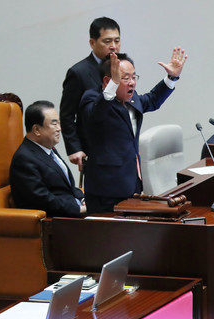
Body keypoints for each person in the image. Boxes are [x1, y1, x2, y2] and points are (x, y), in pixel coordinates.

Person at [80, 48, 187, 213]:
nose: (132, 82)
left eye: (133, 77)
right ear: (108, 81)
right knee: (106, 236)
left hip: (132, 182)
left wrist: (171, 78)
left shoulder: (131, 97)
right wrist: (113, 86)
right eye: (125, 78)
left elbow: (151, 100)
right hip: (105, 189)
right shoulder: (92, 99)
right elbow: (95, 116)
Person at [60, 17, 121, 171]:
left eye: (117, 41)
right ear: (92, 43)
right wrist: (74, 148)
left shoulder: (122, 66)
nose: (113, 46)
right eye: (107, 41)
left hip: (121, 145)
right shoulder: (78, 73)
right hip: (96, 149)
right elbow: (67, 115)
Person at [9, 100, 86, 217]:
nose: (59, 128)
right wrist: (78, 209)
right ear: (36, 130)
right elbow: (41, 199)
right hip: (56, 220)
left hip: (72, 209)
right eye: (54, 124)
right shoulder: (24, 159)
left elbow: (66, 188)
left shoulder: (48, 149)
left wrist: (82, 199)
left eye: (59, 123)